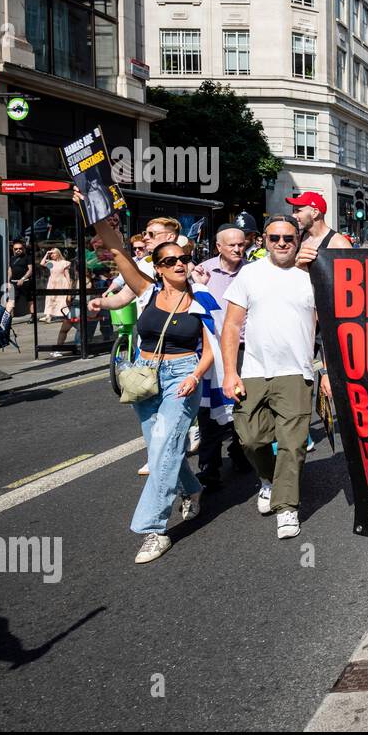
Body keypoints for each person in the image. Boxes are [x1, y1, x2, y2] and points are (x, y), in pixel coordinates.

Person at [89, 213, 216, 564]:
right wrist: (95, 210)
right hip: (145, 374)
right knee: (163, 447)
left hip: (182, 377)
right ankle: (192, 488)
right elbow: (118, 253)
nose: (179, 264)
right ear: (158, 267)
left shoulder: (202, 299)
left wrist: (195, 377)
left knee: (163, 447)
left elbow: (211, 349)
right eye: (170, 261)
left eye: (184, 259)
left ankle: (154, 529)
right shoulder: (147, 290)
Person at [220, 216, 327, 542]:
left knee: (293, 445)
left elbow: (333, 327)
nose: (282, 243)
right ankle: (268, 478)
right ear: (263, 240)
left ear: (299, 240)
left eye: (288, 238)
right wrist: (229, 371)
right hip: (254, 371)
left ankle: (286, 508)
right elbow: (232, 326)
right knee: (251, 439)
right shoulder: (250, 274)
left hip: (297, 373)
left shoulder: (314, 275)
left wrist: (327, 372)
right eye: (275, 238)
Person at [190, 225, 252, 490]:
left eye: (241, 244)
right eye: (232, 245)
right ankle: (210, 465)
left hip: (246, 349)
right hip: (213, 349)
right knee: (210, 410)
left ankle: (240, 453)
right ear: (218, 247)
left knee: (243, 403)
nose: (238, 249)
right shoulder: (203, 273)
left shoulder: (253, 270)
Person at [289, 191, 352, 270]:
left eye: (298, 211)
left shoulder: (339, 243)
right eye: (293, 211)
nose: (293, 215)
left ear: (315, 213)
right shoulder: (298, 237)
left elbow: (350, 277)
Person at [40, 247, 74, 324]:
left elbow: (67, 274)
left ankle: (66, 315)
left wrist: (69, 285)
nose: (52, 255)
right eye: (51, 254)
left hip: (62, 282)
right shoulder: (51, 263)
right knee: (50, 299)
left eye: (53, 253)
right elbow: (42, 263)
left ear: (58, 253)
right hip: (52, 283)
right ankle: (48, 316)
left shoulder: (64, 262)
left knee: (62, 299)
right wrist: (46, 253)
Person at [8, 240, 33, 318]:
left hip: (25, 281)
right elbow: (10, 270)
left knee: (30, 299)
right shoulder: (12, 259)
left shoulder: (27, 257)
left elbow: (30, 270)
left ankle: (33, 316)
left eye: (20, 248)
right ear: (13, 249)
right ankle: (8, 317)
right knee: (11, 299)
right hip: (13, 282)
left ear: (23, 248)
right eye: (16, 249)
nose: (18, 250)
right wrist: (8, 281)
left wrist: (22, 279)